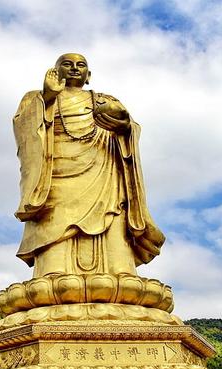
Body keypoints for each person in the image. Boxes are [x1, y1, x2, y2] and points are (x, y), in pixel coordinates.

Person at [13, 53, 165, 278]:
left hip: (104, 169)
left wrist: (125, 129)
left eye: (81, 65)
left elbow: (129, 126)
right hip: (56, 173)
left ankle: (119, 269)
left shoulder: (106, 100)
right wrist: (47, 97)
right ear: (55, 72)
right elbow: (24, 128)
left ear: (89, 75)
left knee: (113, 212)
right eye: (67, 64)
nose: (74, 68)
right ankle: (53, 269)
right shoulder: (36, 98)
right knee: (56, 216)